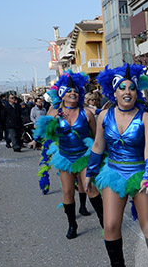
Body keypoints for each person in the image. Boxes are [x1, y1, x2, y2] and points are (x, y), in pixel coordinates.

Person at [84, 64, 148, 267]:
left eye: (131, 88)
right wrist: (90, 172)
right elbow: (98, 145)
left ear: (136, 92)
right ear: (115, 92)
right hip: (114, 172)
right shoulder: (104, 115)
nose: (127, 91)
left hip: (140, 173)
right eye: (122, 88)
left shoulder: (146, 117)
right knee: (110, 225)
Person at [34, 72, 104, 237]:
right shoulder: (55, 112)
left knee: (90, 189)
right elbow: (44, 131)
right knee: (67, 192)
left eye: (75, 91)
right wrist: (54, 116)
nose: (73, 93)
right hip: (65, 156)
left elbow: (95, 137)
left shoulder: (86, 113)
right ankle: (72, 224)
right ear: (62, 94)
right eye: (68, 91)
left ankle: (104, 221)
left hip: (84, 156)